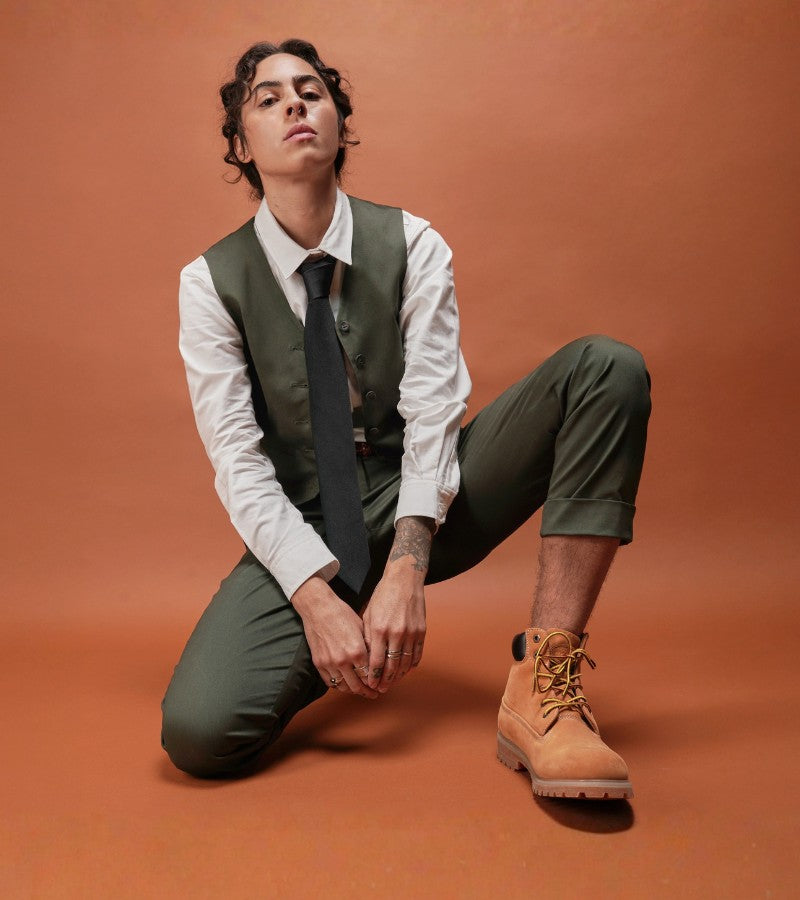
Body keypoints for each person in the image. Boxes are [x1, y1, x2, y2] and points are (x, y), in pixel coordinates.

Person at [161, 38, 651, 801]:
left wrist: (406, 566)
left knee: (605, 367)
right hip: (310, 526)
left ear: (338, 122)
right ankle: (338, 632)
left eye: (312, 90)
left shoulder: (413, 244)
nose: (295, 103)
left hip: (433, 495)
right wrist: (317, 601)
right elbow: (239, 461)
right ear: (241, 145)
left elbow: (432, 414)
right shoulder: (209, 284)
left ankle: (543, 684)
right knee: (198, 732)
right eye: (269, 98)